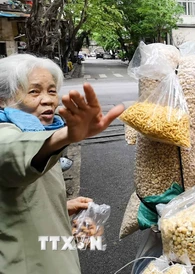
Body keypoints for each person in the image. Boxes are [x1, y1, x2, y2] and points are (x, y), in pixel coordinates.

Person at [0, 54, 124, 274]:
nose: (48, 100)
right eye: (34, 91)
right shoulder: (11, 135)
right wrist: (65, 136)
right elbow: (14, 153)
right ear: (3, 100)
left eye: (52, 90)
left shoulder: (38, 132)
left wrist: (61, 206)